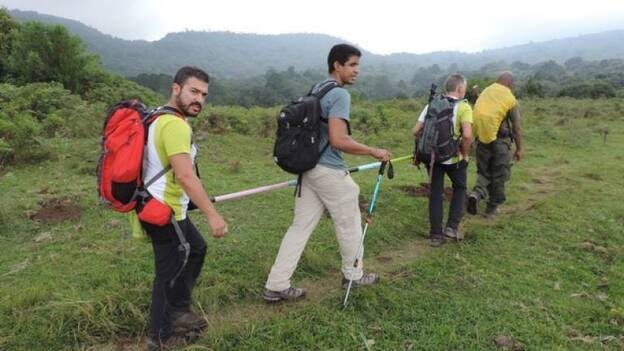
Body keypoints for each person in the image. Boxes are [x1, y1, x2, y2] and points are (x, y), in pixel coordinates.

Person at [262, 44, 392, 303]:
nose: (357, 71)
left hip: (307, 168)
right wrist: (373, 151)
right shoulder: (340, 95)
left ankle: (276, 285)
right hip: (328, 169)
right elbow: (338, 139)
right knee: (350, 222)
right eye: (353, 65)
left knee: (300, 227)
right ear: (337, 65)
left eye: (358, 65)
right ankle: (353, 275)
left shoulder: (317, 89)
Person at [141, 66, 227, 350]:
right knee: (168, 272)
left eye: (203, 94)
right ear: (175, 88)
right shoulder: (175, 124)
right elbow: (185, 176)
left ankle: (179, 311)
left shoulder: (157, 117)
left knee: (196, 248)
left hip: (164, 207)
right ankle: (160, 337)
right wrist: (213, 215)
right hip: (163, 212)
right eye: (193, 91)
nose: (199, 99)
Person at [412, 74, 473, 247]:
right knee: (460, 188)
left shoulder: (432, 103)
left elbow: (415, 130)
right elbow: (467, 135)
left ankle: (436, 235)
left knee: (435, 194)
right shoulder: (464, 107)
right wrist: (465, 153)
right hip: (454, 158)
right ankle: (452, 227)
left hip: (432, 159)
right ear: (460, 89)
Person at [467, 72, 524, 217]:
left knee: (484, 171)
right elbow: (517, 127)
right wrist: (519, 148)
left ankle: (476, 194)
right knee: (499, 174)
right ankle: (492, 208)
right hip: (500, 142)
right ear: (510, 83)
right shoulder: (510, 99)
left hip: (481, 138)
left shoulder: (487, 92)